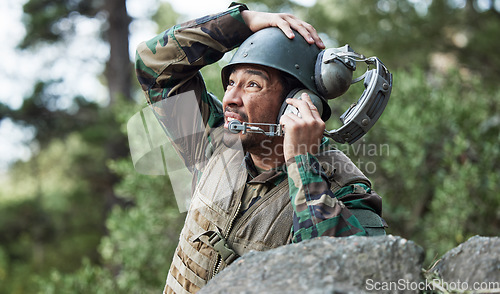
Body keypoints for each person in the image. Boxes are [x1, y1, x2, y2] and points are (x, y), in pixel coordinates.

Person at [135, 3, 386, 293]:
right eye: (231, 82)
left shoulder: (345, 190)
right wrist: (240, 23)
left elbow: (346, 279)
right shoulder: (214, 138)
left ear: (296, 102)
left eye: (252, 85)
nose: (230, 98)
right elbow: (153, 66)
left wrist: (302, 165)